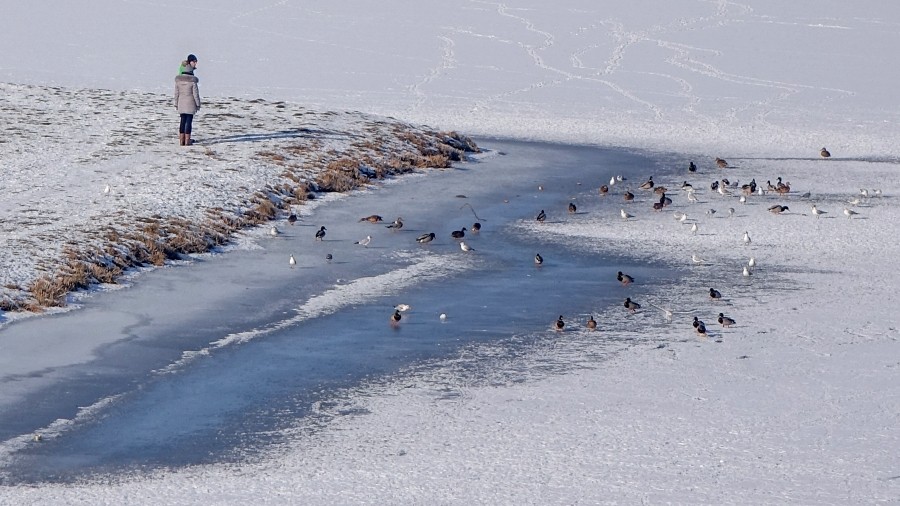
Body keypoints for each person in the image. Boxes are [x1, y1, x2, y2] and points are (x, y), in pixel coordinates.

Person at [174, 54, 201, 146]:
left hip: (181, 102)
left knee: (182, 120)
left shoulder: (178, 81)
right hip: (190, 104)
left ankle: (181, 141)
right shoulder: (192, 82)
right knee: (189, 121)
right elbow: (195, 94)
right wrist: (198, 104)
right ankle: (187, 140)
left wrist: (176, 103)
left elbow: (176, 93)